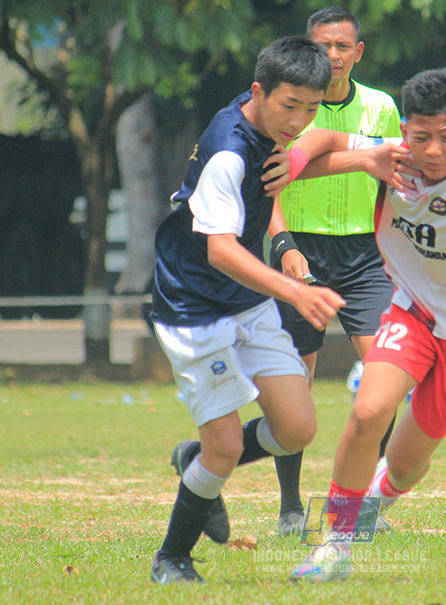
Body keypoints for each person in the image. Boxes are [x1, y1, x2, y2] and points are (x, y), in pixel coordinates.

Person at [146, 36, 405, 585]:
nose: (299, 121)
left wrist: (368, 154)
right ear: (260, 92)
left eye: (310, 107)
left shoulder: (268, 115)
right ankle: (172, 558)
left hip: (242, 297)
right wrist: (296, 291)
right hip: (194, 307)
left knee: (296, 428)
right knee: (225, 448)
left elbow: (307, 152)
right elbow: (220, 250)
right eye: (291, 107)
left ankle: (195, 457)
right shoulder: (227, 153)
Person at [284, 68, 446, 582]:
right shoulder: (392, 157)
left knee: (404, 465)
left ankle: (377, 500)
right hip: (414, 312)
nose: (431, 150)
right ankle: (336, 543)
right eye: (420, 135)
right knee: (368, 411)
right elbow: (318, 139)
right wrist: (333, 159)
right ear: (404, 130)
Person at [267, 7, 403, 535]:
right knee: (293, 389)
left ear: (358, 52)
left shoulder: (381, 106)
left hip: (366, 255)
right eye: (323, 45)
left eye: (343, 46)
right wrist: (283, 247)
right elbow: (268, 184)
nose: (333, 55)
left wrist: (396, 243)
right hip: (301, 253)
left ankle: (361, 503)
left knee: (386, 379)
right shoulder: (293, 106)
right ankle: (290, 508)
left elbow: (392, 179)